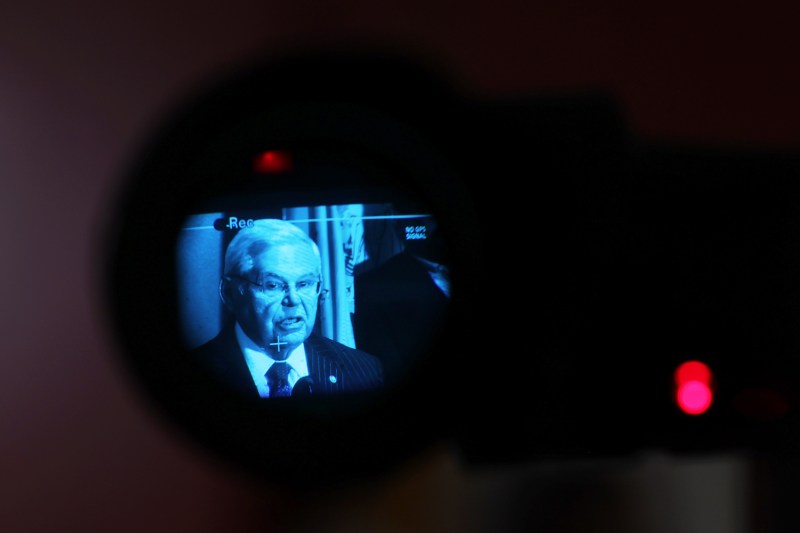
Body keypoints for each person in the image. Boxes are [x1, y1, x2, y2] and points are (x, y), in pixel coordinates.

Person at [193, 219, 384, 398]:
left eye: (305, 284)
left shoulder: (364, 370)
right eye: (273, 285)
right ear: (229, 293)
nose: (293, 300)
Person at [353, 215, 450, 386]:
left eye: (428, 219)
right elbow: (383, 362)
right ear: (397, 228)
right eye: (416, 222)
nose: (431, 228)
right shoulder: (374, 284)